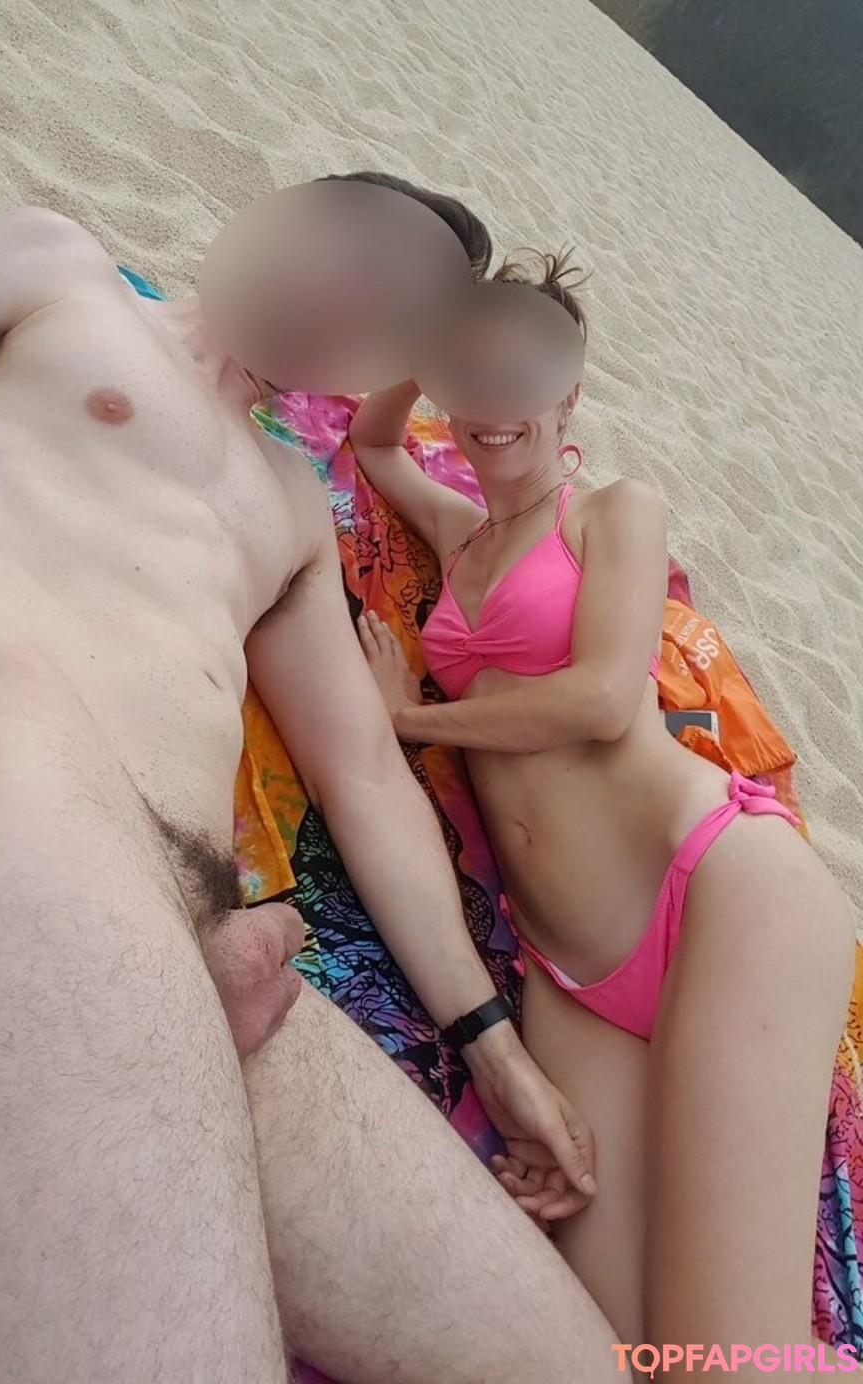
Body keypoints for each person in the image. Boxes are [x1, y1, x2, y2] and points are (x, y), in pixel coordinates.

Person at [0, 180, 624, 1383]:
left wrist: (493, 1044)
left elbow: (364, 779)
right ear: (285, 208)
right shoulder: (43, 275)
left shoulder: (293, 505)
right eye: (359, 245)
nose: (355, 293)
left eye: (403, 309)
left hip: (215, 946)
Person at [352, 249, 856, 1371]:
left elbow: (596, 699)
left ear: (568, 391)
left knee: (731, 1359)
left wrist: (410, 719)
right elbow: (375, 444)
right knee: (633, 1350)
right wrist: (437, 337)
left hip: (715, 888)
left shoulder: (615, 511)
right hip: (573, 974)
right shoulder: (457, 532)